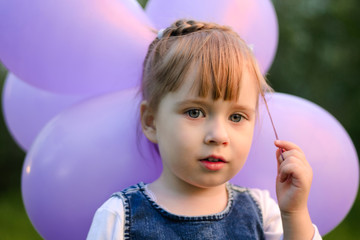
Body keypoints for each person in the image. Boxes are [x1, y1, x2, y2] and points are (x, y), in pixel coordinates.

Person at [87, 19, 322, 240]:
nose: (218, 136)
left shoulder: (264, 213)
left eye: (237, 116)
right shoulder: (120, 217)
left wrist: (294, 213)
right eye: (195, 112)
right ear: (151, 122)